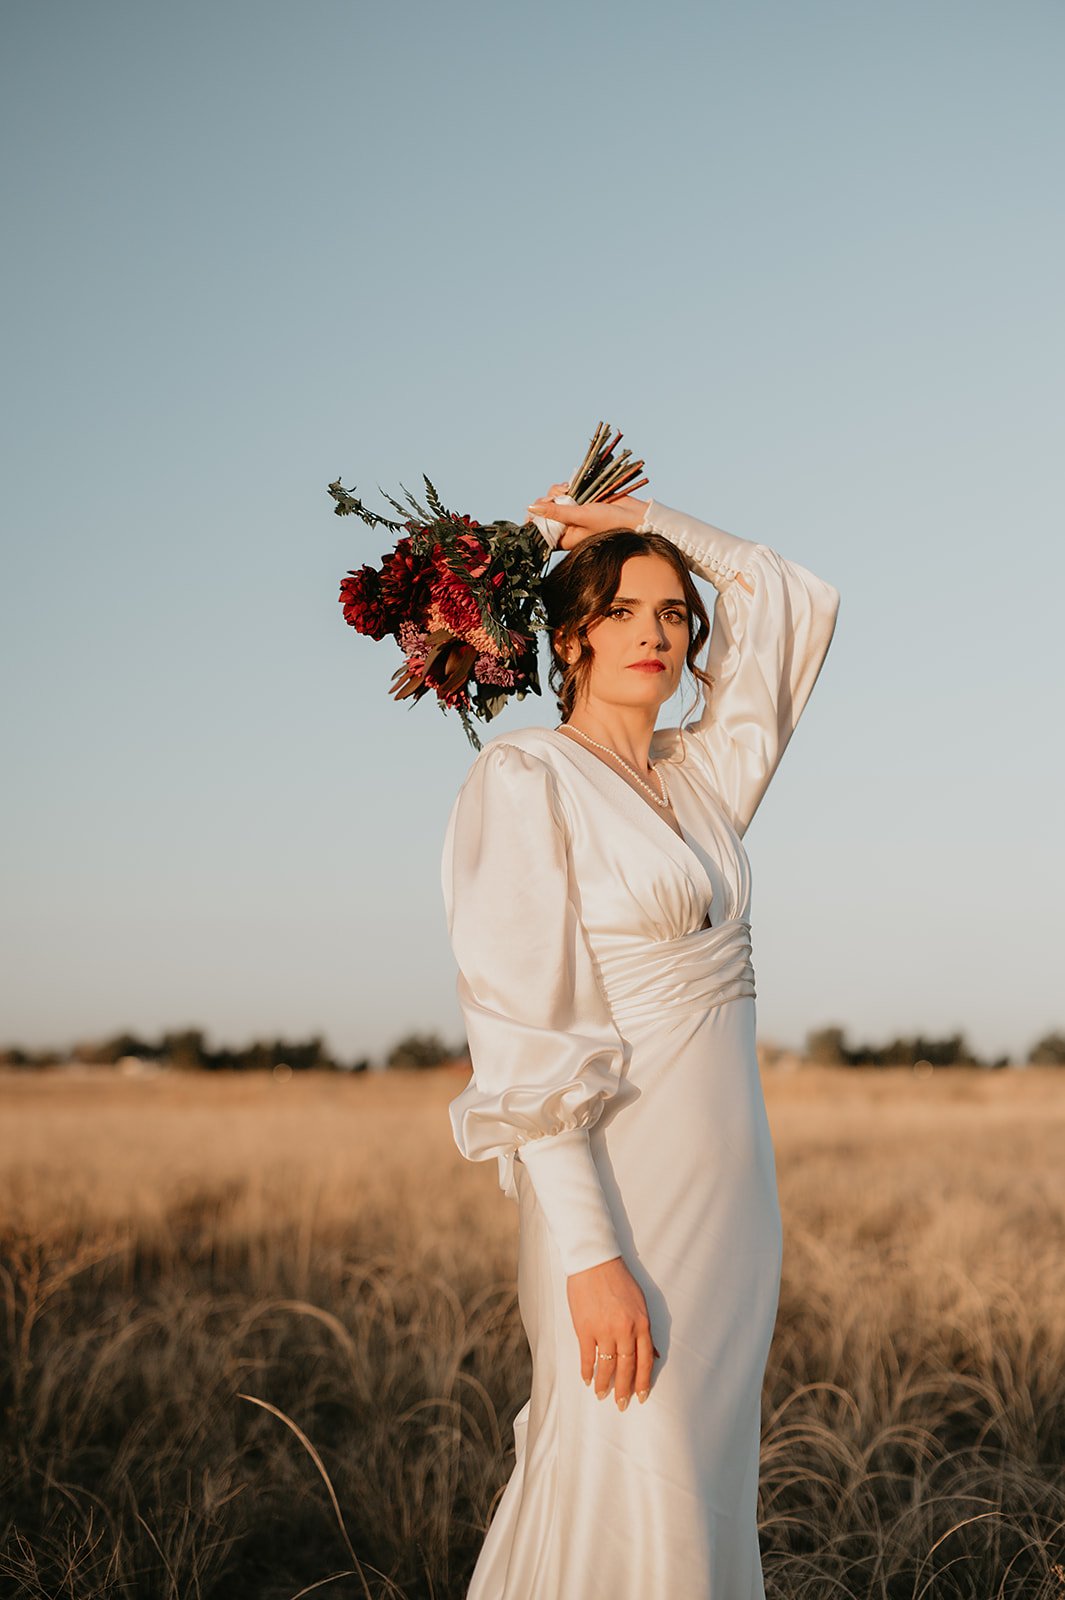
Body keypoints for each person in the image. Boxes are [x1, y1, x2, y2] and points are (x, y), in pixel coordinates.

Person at [439, 481, 840, 1599]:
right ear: (569, 637)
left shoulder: (703, 780)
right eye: (623, 607)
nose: (657, 631)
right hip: (617, 1198)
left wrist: (644, 519)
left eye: (673, 611)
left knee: (699, 1482)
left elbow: (789, 592)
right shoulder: (524, 778)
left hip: (733, 1205)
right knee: (624, 1455)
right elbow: (521, 1032)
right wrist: (588, 1254)